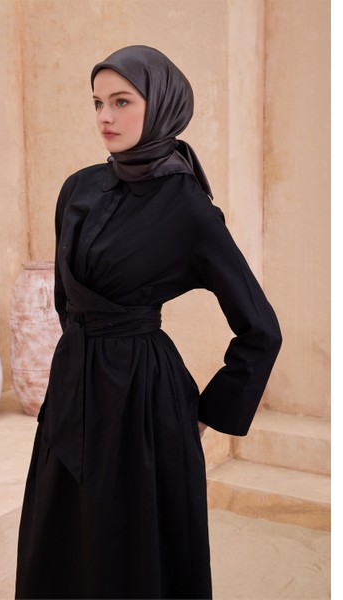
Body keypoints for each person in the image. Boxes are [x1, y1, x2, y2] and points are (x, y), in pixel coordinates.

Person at [15, 45, 282, 600]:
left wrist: (207, 413)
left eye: (122, 101)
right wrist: (78, 366)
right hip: (73, 387)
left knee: (128, 547)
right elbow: (69, 299)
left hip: (142, 399)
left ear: (160, 105)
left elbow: (261, 329)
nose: (105, 117)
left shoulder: (189, 208)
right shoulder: (78, 187)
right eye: (97, 103)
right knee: (58, 536)